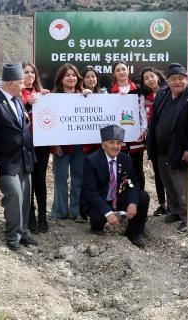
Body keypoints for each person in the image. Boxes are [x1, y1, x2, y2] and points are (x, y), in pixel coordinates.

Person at [0, 63, 37, 251]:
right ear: (11, 83)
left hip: (24, 158)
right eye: (21, 83)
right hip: (5, 161)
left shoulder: (18, 100)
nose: (24, 86)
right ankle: (13, 235)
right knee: (14, 196)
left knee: (25, 197)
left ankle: (23, 232)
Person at [79, 124, 150, 248]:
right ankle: (96, 227)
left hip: (118, 197)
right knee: (98, 219)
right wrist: (108, 213)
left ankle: (134, 233)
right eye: (111, 142)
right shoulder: (91, 161)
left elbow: (132, 183)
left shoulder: (126, 160)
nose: (116, 146)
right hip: (98, 199)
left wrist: (133, 202)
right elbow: (91, 192)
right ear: (103, 145)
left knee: (143, 197)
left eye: (118, 143)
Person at [147, 64, 188, 231]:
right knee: (169, 184)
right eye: (173, 79)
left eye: (181, 78)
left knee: (184, 187)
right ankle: (175, 211)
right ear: (167, 81)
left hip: (181, 150)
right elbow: (155, 119)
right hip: (161, 150)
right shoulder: (163, 93)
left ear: (187, 79)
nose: (177, 82)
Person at [50, 63, 86, 221]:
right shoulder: (52, 97)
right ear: (60, 79)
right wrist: (53, 144)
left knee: (79, 177)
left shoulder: (85, 96)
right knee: (60, 178)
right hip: (61, 146)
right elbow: (49, 124)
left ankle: (77, 210)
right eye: (67, 75)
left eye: (73, 75)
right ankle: (60, 211)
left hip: (80, 145)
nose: (71, 78)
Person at [109, 60, 148, 191]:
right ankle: (124, 199)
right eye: (118, 70)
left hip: (137, 137)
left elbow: (142, 112)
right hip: (118, 139)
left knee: (138, 169)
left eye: (123, 69)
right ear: (114, 74)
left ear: (128, 71)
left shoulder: (138, 90)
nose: (121, 72)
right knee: (121, 169)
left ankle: (139, 198)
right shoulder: (109, 92)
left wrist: (143, 130)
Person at [21, 62, 50, 233]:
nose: (30, 75)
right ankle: (30, 214)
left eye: (32, 72)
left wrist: (47, 98)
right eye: (26, 72)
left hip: (41, 143)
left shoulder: (41, 93)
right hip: (25, 143)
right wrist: (27, 103)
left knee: (40, 178)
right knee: (29, 178)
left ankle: (43, 216)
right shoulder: (17, 94)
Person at [139, 66, 168, 216]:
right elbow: (143, 117)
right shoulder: (144, 96)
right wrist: (144, 130)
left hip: (168, 139)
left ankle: (173, 205)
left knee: (170, 173)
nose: (150, 80)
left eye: (151, 76)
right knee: (158, 173)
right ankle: (162, 204)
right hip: (153, 140)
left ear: (157, 76)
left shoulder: (168, 92)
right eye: (146, 78)